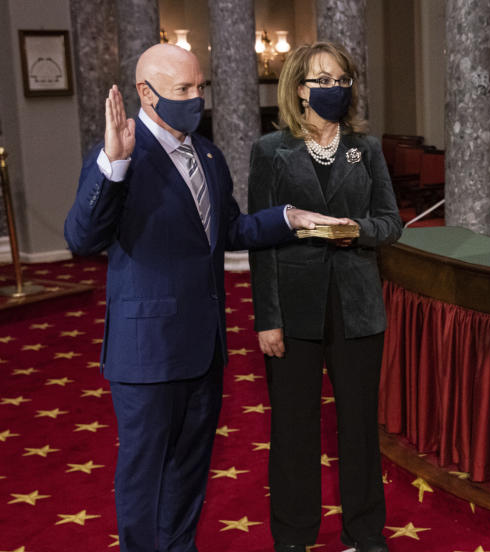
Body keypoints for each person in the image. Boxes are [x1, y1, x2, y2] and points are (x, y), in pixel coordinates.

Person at [64, 43, 336, 552]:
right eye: (182, 90)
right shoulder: (120, 154)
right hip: (147, 352)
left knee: (190, 469)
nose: (196, 99)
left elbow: (227, 229)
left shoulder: (206, 154)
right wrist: (113, 166)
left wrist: (287, 218)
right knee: (145, 476)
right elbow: (82, 239)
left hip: (205, 346)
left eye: (199, 87)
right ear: (146, 94)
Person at [248, 41, 402, 552]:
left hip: (357, 307)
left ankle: (365, 532)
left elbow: (390, 223)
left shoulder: (367, 148)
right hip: (293, 311)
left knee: (358, 427)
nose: (333, 89)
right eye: (322, 80)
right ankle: (293, 537)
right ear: (299, 88)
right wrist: (267, 319)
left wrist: (354, 229)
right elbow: (260, 240)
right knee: (294, 428)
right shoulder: (271, 152)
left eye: (341, 80)